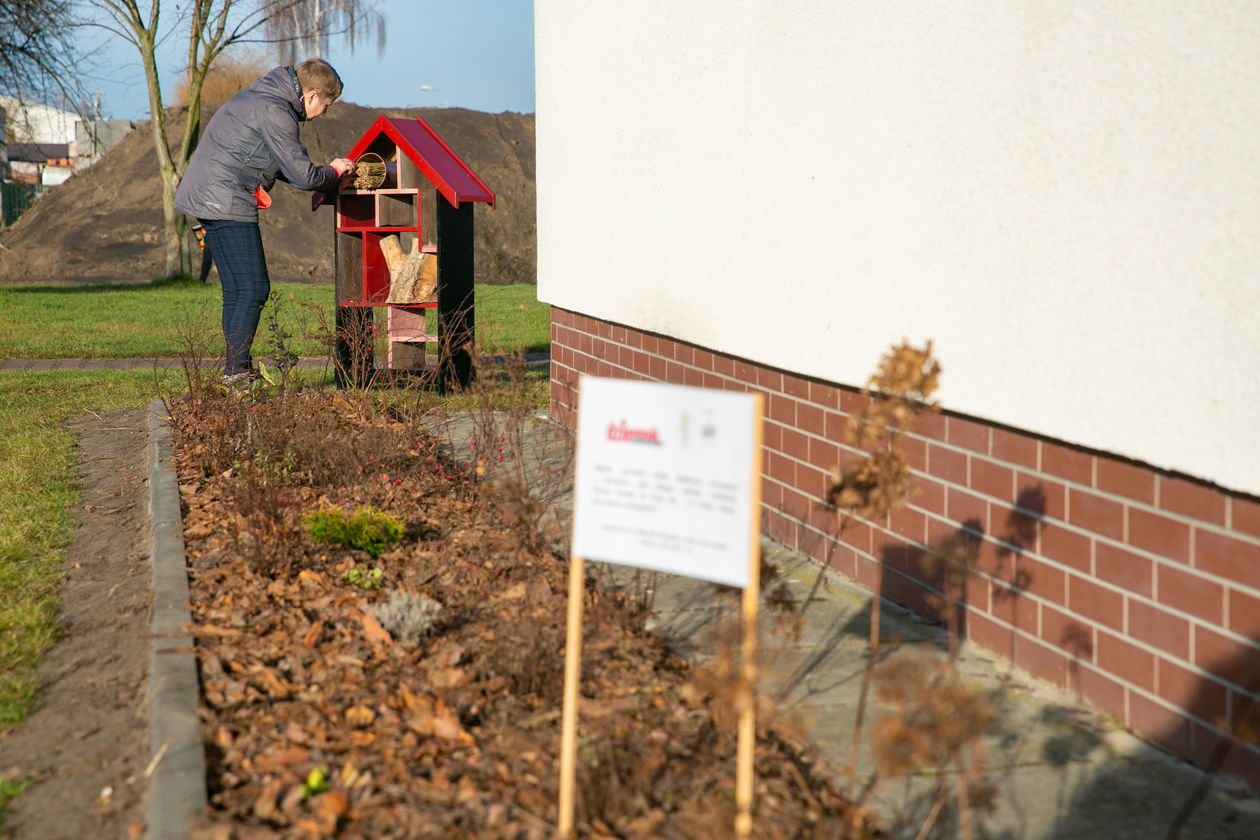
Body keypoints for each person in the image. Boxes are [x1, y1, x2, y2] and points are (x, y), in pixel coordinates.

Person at [174, 58, 353, 386]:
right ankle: (237, 373)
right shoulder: (277, 112)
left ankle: (235, 371)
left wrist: (321, 174)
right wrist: (335, 172)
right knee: (254, 288)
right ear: (311, 96)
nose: (325, 112)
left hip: (207, 194)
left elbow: (281, 162)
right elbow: (303, 176)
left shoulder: (260, 98)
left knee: (237, 290)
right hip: (225, 198)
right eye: (327, 105)